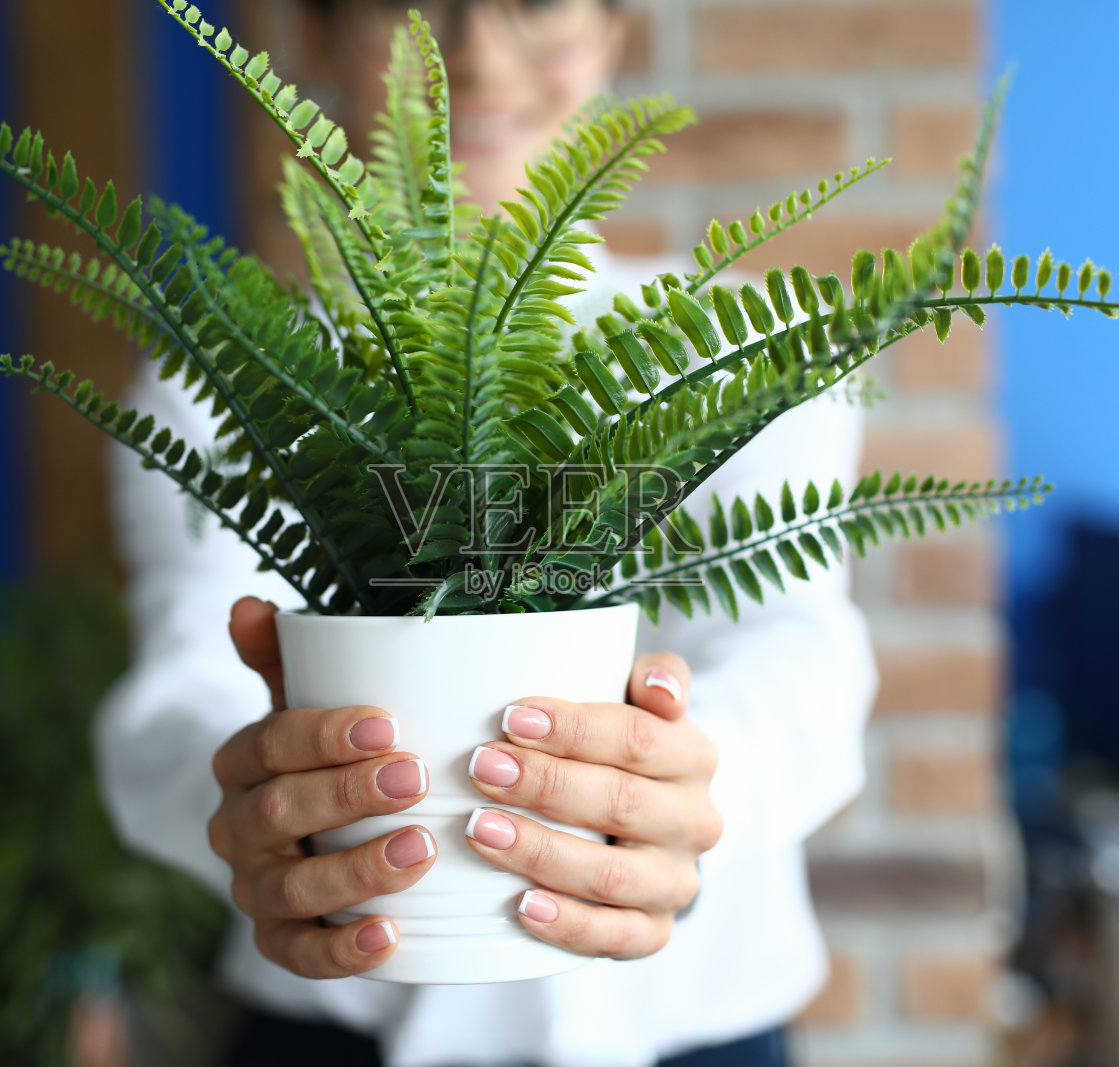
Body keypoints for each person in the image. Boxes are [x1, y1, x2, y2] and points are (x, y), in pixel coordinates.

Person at [93, 1, 878, 1064]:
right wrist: (243, 798)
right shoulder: (229, 380)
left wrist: (686, 792)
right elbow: (180, 684)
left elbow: (801, 647)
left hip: (693, 1019)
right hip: (333, 1021)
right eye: (402, 8)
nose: (471, 58)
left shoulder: (744, 356)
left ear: (612, 34)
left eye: (535, 3)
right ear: (318, 45)